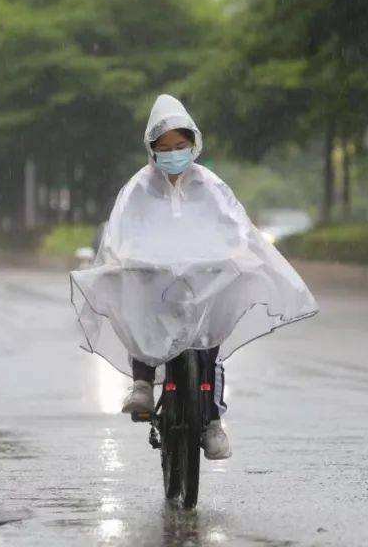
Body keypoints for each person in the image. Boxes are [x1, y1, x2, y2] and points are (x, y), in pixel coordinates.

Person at [70, 94, 318, 461]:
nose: (174, 154)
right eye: (165, 147)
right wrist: (130, 262)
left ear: (194, 145)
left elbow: (235, 228)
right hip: (155, 284)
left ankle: (213, 421)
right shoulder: (137, 189)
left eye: (180, 146)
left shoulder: (212, 187)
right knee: (140, 319)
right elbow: (121, 235)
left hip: (202, 286)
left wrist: (234, 256)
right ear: (152, 150)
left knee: (209, 351)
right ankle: (142, 383)